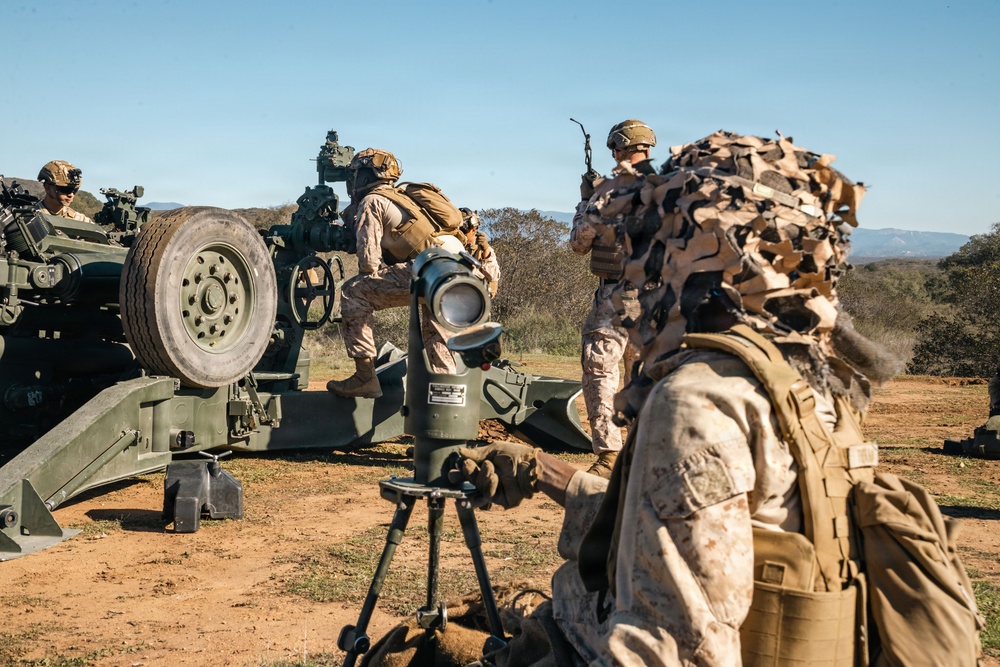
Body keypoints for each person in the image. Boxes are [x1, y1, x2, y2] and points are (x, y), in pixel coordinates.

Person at [454, 131, 901, 666]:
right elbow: (711, 533)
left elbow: (677, 648)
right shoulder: (814, 378)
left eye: (650, 237)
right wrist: (545, 474)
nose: (639, 262)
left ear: (693, 252)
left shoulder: (696, 403)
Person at [327, 148, 467, 399]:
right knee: (436, 334)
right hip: (453, 270)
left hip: (428, 270)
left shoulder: (372, 202)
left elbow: (368, 262)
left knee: (352, 293)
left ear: (368, 175)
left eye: (356, 175)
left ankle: (364, 378)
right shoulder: (402, 197)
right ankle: (446, 402)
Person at [570, 120, 653, 478]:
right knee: (643, 373)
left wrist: (584, 202)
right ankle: (644, 452)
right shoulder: (666, 187)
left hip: (617, 293)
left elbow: (579, 242)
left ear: (618, 149)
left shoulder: (609, 192)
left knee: (601, 370)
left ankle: (608, 456)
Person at [459, 207, 501, 297]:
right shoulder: (453, 244)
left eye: (463, 229)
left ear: (473, 229)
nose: (460, 233)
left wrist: (485, 250)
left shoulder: (482, 249)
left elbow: (492, 277)